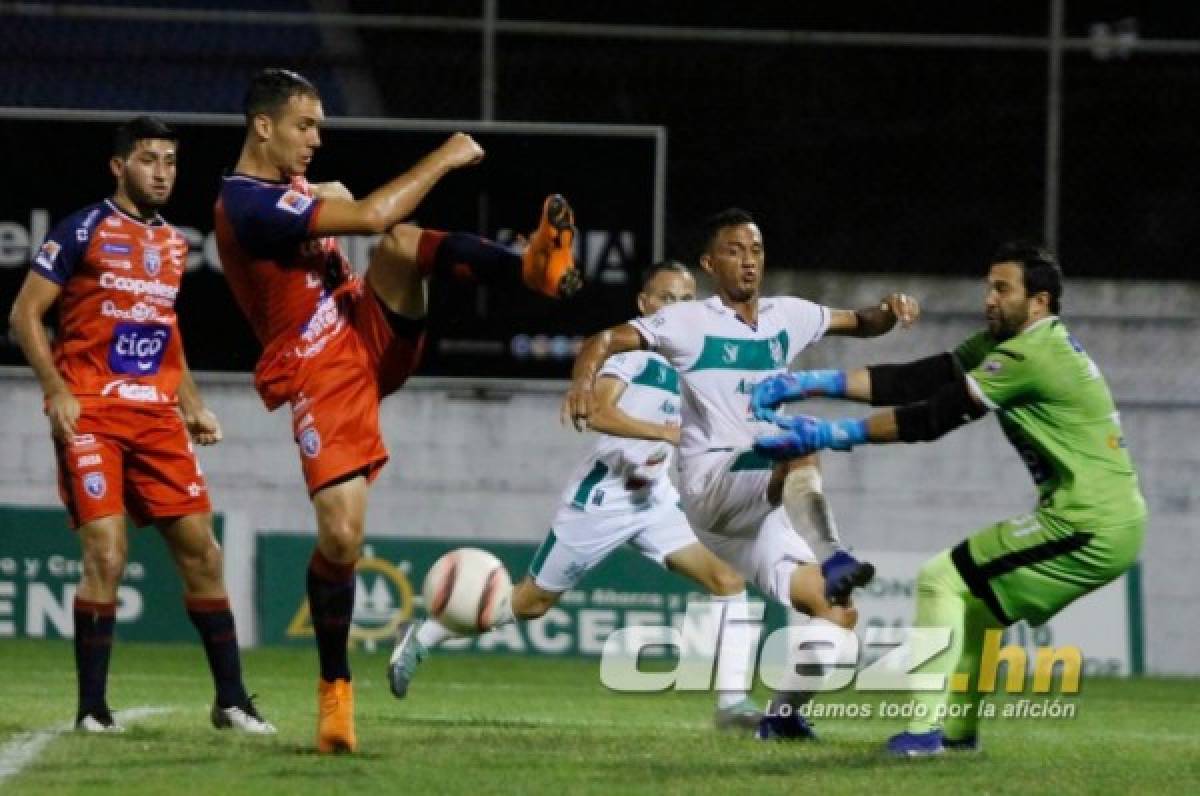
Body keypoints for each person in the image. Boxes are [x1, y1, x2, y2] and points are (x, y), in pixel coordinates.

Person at [213, 68, 578, 754]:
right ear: (262, 126)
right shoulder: (245, 205)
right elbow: (370, 209)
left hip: (364, 328)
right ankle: (335, 691)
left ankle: (531, 269)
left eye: (320, 124)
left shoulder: (277, 188)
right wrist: (444, 155)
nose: (317, 138)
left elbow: (347, 206)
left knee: (401, 246)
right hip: (319, 370)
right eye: (305, 125)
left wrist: (322, 193)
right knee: (344, 538)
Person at [750, 242, 1146, 756]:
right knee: (976, 610)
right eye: (989, 286)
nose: (989, 298)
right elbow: (919, 378)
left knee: (942, 577)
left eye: (1003, 289)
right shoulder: (1013, 343)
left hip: (1089, 522)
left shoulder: (1032, 354)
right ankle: (957, 737)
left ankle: (923, 734)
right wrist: (812, 383)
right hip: (1101, 519)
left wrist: (827, 436)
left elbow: (935, 417)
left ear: (1039, 302)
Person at [561, 208, 919, 738]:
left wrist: (890, 312)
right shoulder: (689, 320)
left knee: (838, 615)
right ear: (710, 263)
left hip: (761, 507)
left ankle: (781, 718)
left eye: (755, 251)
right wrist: (582, 383)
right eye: (734, 250)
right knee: (800, 440)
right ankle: (835, 554)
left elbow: (859, 322)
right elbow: (603, 339)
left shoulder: (786, 316)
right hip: (713, 483)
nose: (748, 261)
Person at [388, 261, 769, 728]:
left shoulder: (692, 363)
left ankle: (732, 706)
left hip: (654, 501)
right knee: (529, 605)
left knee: (728, 580)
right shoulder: (633, 357)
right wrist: (664, 433)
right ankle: (425, 635)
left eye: (686, 299)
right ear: (645, 306)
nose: (678, 308)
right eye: (667, 299)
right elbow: (597, 414)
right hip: (602, 500)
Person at [8, 116, 274, 735]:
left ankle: (231, 701)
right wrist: (56, 391)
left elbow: (162, 327)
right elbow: (25, 315)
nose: (162, 171)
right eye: (149, 159)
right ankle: (93, 711)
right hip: (92, 415)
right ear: (119, 165)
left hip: (155, 418)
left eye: (171, 162)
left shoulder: (175, 244)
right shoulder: (82, 228)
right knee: (107, 553)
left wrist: (193, 404)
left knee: (203, 555)